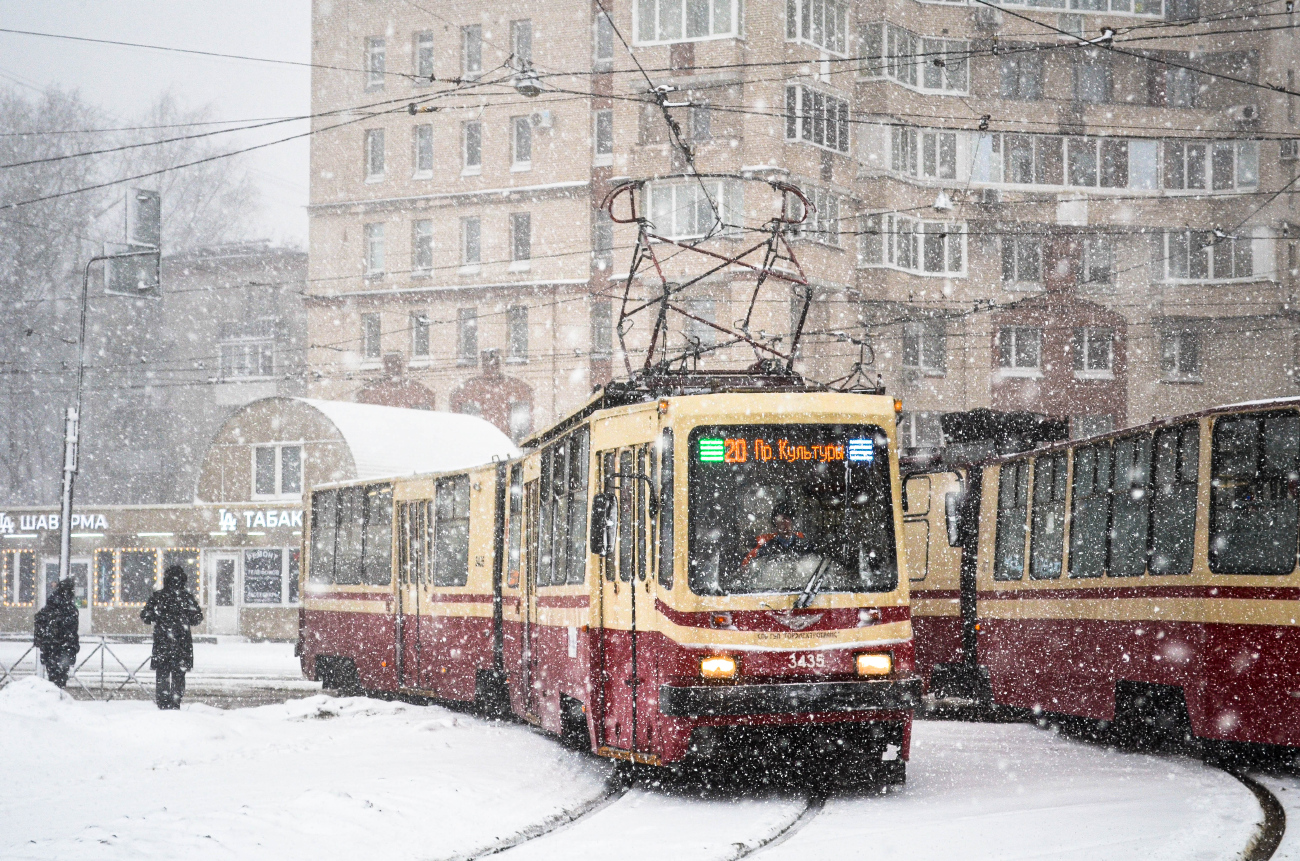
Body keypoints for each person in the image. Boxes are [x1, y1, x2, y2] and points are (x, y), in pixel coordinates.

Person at [140, 565, 204, 710]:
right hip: (182, 645)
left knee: (162, 675)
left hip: (163, 644)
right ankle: (175, 703)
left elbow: (145, 615)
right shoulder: (186, 598)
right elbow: (197, 618)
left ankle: (163, 704)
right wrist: (184, 619)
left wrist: (158, 617)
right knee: (178, 676)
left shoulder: (159, 596)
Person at [741, 500, 816, 568]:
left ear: (792, 521)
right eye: (779, 519)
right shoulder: (767, 547)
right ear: (775, 523)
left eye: (786, 518)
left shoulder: (804, 544)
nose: (782, 523)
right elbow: (750, 566)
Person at [34, 577, 79, 688]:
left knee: (53, 680)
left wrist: (41, 641)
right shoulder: (69, 609)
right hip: (63, 650)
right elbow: (71, 632)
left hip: (51, 650)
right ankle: (58, 699)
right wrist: (73, 648)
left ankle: (55, 699)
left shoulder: (50, 606)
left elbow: (39, 621)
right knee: (60, 681)